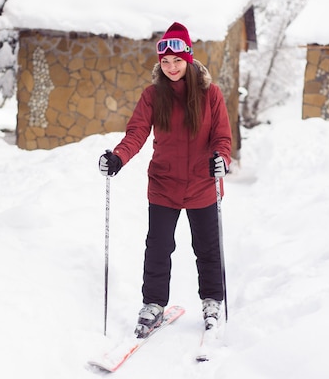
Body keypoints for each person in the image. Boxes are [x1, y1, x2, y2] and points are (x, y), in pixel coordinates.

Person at [98, 22, 232, 338]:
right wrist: (118, 157)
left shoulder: (210, 94)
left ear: (188, 58)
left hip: (202, 184)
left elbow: (222, 137)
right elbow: (137, 133)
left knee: (208, 248)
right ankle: (153, 305)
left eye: (177, 60)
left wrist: (221, 161)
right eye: (165, 61)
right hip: (164, 184)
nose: (171, 67)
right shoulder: (153, 95)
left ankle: (212, 301)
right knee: (158, 247)